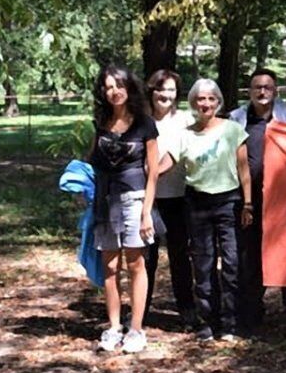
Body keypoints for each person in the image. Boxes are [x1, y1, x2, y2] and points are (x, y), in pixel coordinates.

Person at [89, 64, 159, 353]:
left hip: (135, 199)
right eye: (107, 87)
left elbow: (152, 171)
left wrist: (146, 213)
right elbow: (92, 159)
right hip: (105, 201)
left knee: (136, 264)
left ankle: (136, 329)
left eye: (118, 85)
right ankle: (114, 326)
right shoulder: (101, 121)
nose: (113, 91)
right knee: (109, 266)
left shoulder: (144, 123)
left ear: (129, 87)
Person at [183, 78, 253, 342]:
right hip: (197, 203)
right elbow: (164, 162)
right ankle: (207, 321)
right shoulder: (186, 133)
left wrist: (248, 203)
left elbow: (244, 170)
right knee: (203, 264)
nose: (206, 103)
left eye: (211, 98)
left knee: (232, 263)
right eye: (201, 99)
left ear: (218, 102)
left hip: (229, 202)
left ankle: (231, 322)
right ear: (193, 102)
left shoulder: (233, 129)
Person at [229, 69, 286, 330]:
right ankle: (252, 309)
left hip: (284, 199)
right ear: (249, 91)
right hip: (248, 198)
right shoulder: (236, 119)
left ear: (276, 90)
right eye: (257, 87)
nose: (262, 92)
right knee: (250, 252)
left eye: (267, 87)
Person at [145, 69, 197, 328]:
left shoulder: (187, 120)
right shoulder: (141, 120)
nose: (165, 95)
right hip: (148, 200)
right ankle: (140, 311)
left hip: (179, 197)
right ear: (151, 91)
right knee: (147, 258)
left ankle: (187, 308)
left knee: (180, 257)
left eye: (171, 90)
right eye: (160, 89)